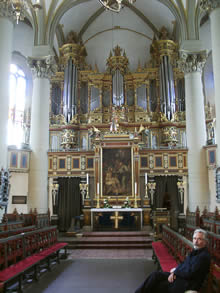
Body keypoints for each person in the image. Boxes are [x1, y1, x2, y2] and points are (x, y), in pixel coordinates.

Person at [135, 229, 210, 293]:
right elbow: (183, 264)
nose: (195, 241)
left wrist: (175, 273)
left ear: (205, 242)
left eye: (199, 239)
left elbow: (190, 273)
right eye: (194, 238)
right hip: (181, 276)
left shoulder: (203, 257)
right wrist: (174, 272)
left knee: (157, 286)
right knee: (155, 275)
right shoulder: (195, 251)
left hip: (187, 283)